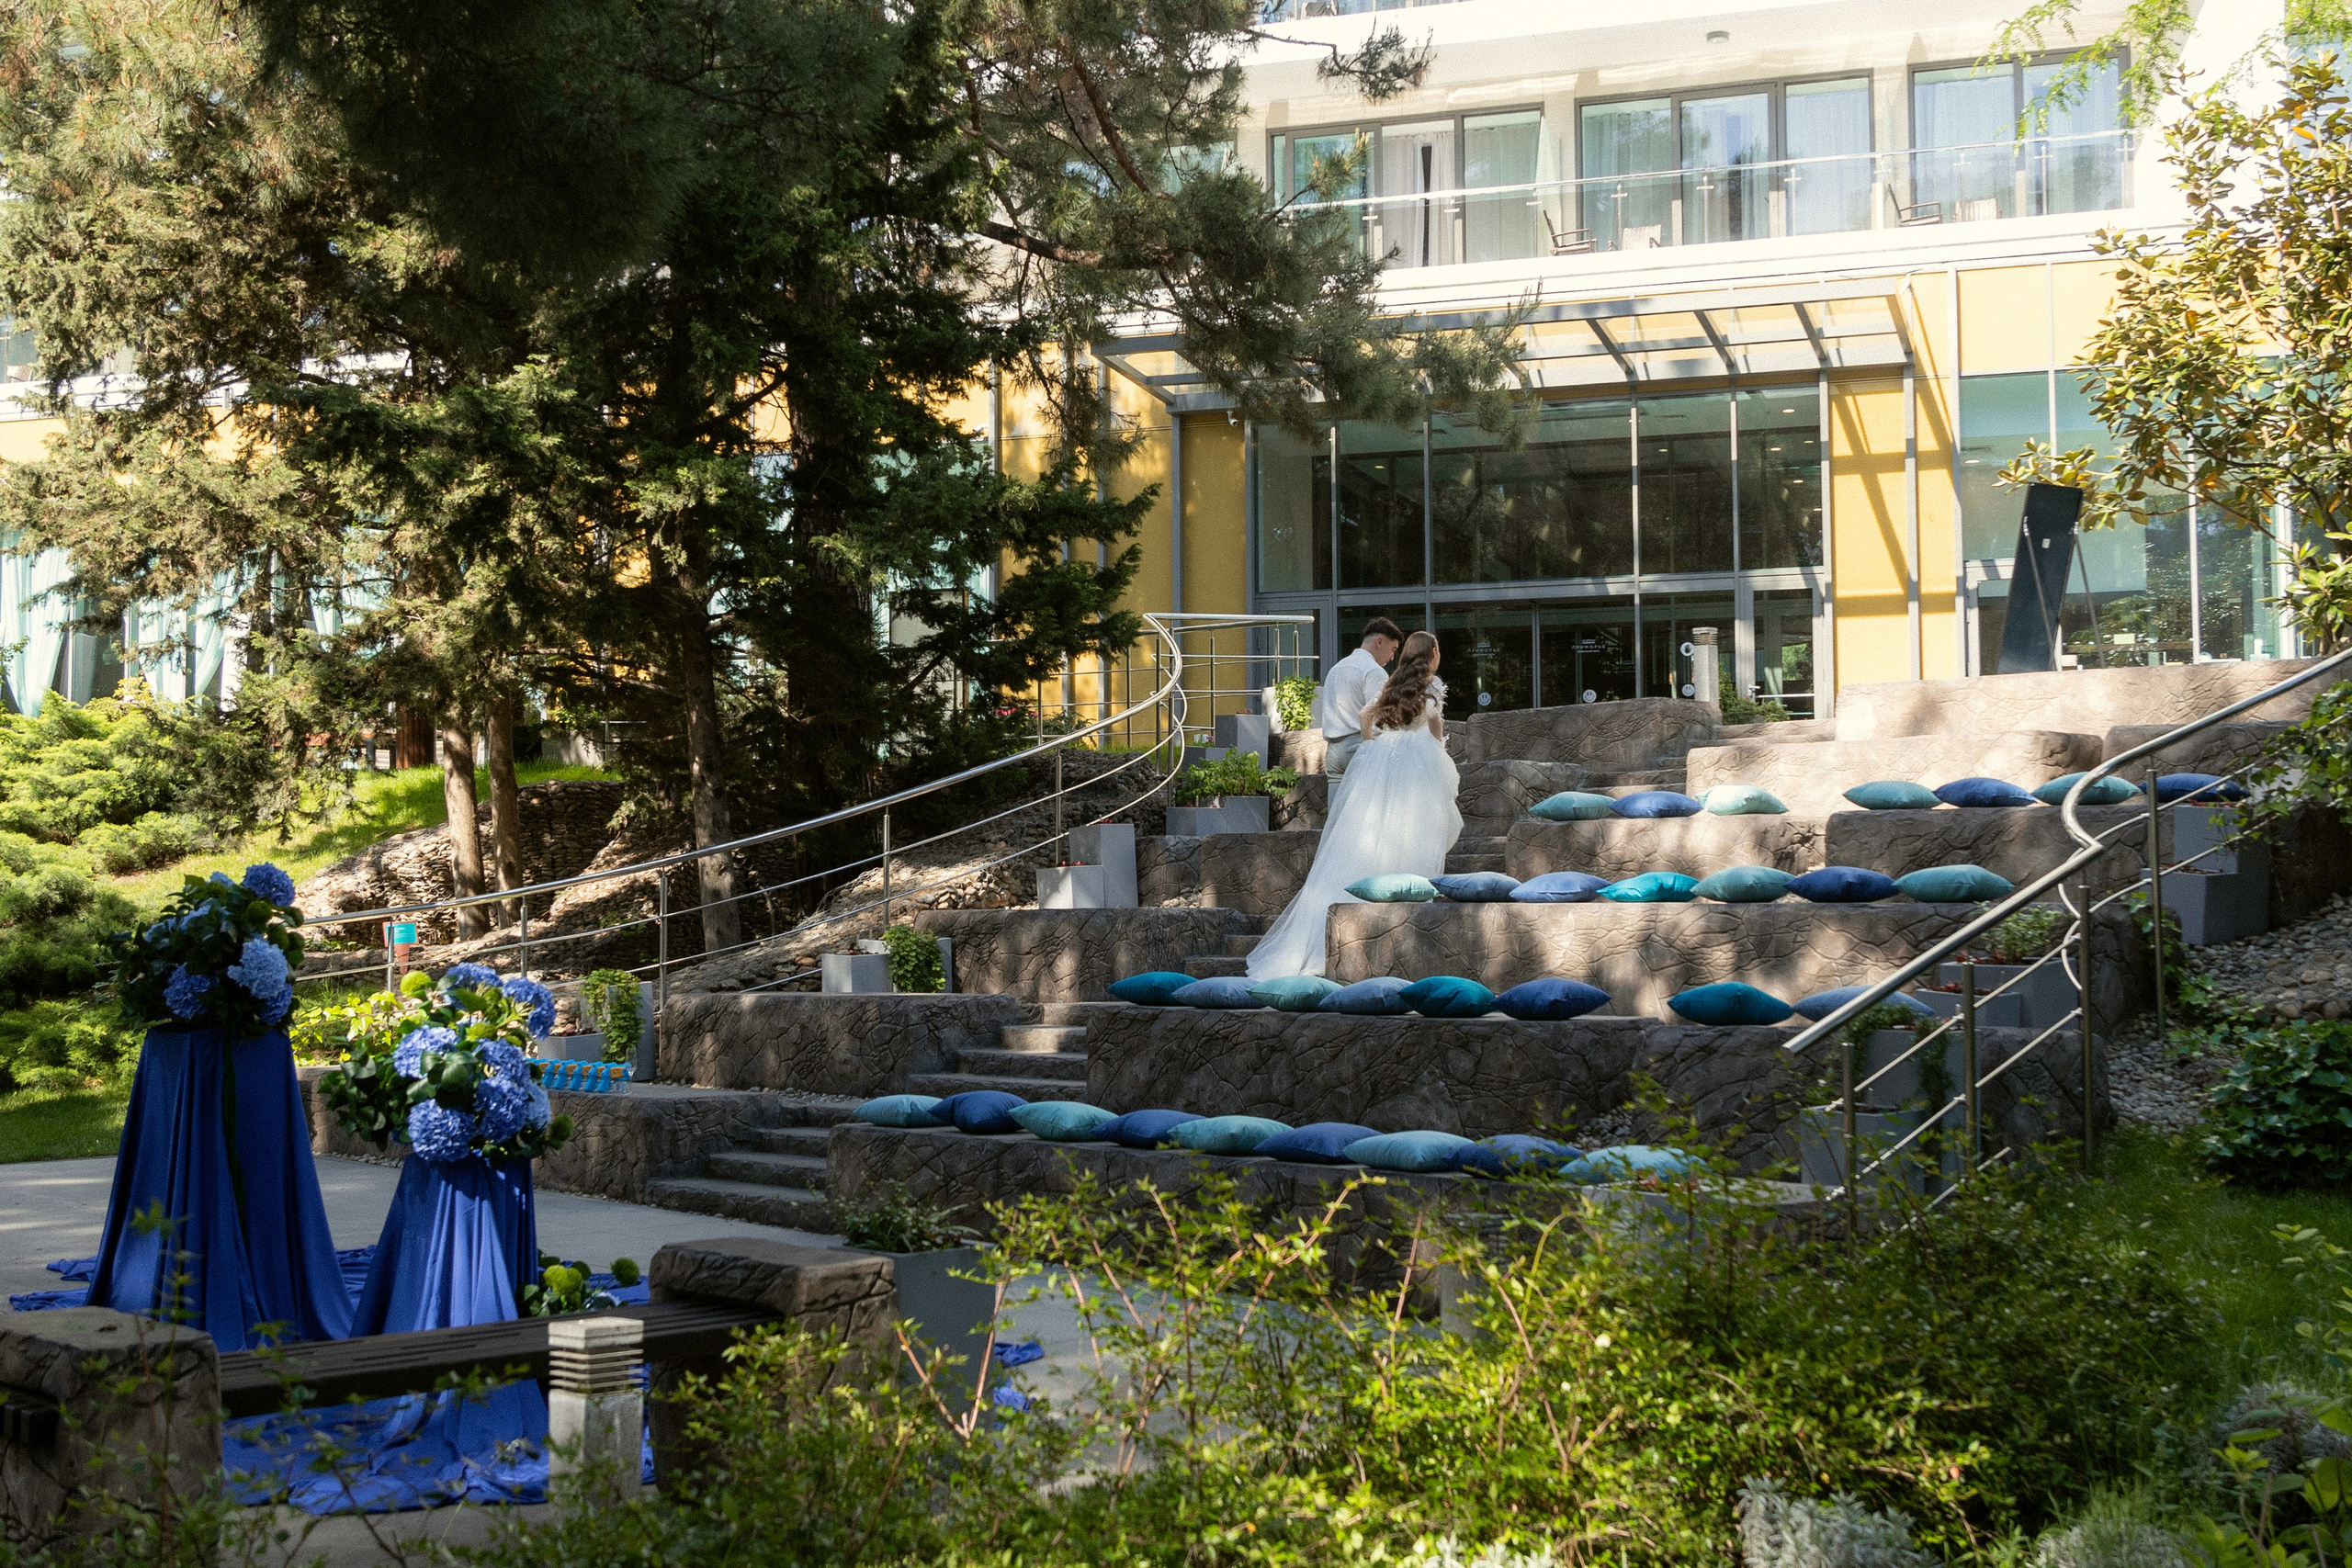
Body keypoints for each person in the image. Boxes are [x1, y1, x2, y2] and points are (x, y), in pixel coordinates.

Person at [1247, 631, 1461, 979]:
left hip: (1384, 758)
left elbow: (1365, 716)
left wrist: (1373, 746)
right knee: (1413, 831)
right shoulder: (1430, 684)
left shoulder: (1392, 683)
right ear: (1432, 653)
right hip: (1416, 762)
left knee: (1371, 832)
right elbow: (1434, 721)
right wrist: (1438, 749)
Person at [1312, 617, 1402, 778]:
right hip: (1359, 744)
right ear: (1379, 642)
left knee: (1336, 803)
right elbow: (1379, 717)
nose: (1392, 657)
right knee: (1369, 802)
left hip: (1333, 749)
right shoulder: (1374, 671)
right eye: (1393, 649)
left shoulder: (1336, 669)